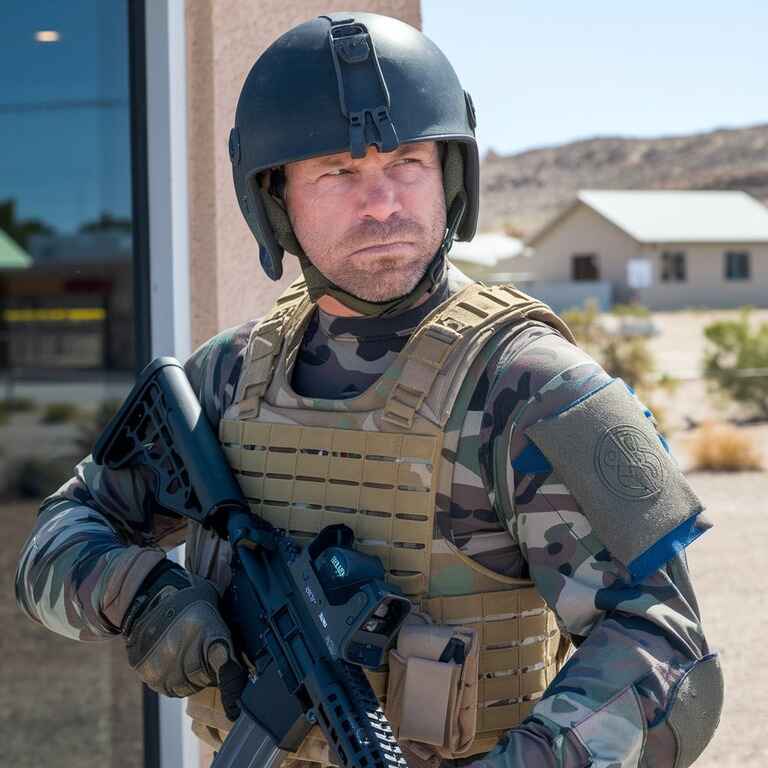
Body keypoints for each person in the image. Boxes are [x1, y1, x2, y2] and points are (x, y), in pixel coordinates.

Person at [15, 11, 723, 768]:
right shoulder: (226, 379)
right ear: (276, 198)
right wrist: (143, 594)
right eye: (338, 172)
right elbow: (53, 544)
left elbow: (669, 656)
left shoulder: (528, 387)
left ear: (450, 175)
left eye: (408, 162)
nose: (382, 203)